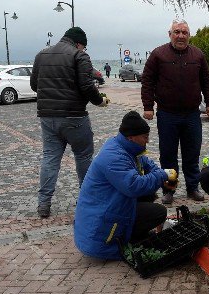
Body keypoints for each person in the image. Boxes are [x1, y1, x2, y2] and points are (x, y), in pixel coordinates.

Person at [73, 111, 178, 260]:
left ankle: (135, 234)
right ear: (132, 137)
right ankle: (128, 240)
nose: (147, 141)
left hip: (108, 209)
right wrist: (162, 175)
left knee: (149, 192)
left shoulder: (125, 147)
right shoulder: (114, 157)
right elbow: (134, 186)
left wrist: (160, 173)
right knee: (158, 212)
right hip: (100, 234)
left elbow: (147, 163)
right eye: (145, 137)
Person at [30, 27, 111, 218]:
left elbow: (35, 85)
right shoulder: (79, 56)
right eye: (84, 46)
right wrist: (99, 101)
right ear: (79, 43)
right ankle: (88, 199)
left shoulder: (41, 55)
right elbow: (87, 86)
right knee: (83, 157)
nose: (84, 49)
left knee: (50, 159)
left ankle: (43, 204)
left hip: (48, 117)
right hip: (74, 116)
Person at [141, 19, 209, 205]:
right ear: (170, 34)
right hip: (167, 114)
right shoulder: (158, 54)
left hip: (192, 115)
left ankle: (193, 188)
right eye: (177, 32)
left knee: (192, 153)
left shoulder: (197, 55)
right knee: (168, 155)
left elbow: (206, 81)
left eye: (184, 32)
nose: (181, 35)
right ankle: (168, 190)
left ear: (189, 35)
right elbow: (147, 81)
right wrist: (148, 106)